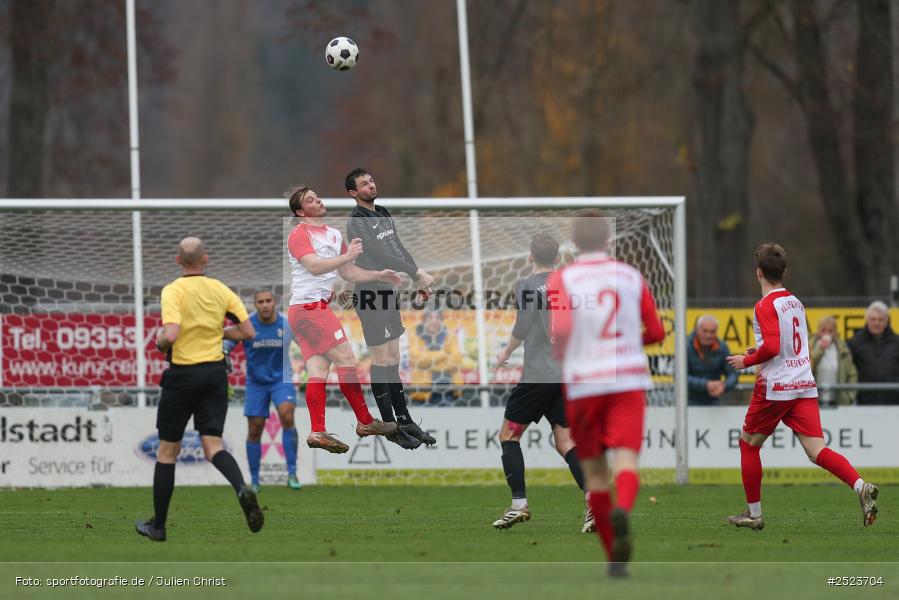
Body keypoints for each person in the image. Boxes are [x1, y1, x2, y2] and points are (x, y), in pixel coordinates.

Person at [725, 243, 878, 532]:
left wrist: (747, 360)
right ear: (785, 271)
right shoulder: (795, 302)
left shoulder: (764, 305)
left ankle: (754, 514)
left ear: (758, 273)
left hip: (777, 386)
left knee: (748, 445)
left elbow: (771, 346)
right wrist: (758, 351)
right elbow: (784, 344)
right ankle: (860, 486)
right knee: (816, 450)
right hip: (803, 382)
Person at [547, 211, 665, 577]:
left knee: (596, 474)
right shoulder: (631, 276)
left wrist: (565, 355)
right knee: (627, 462)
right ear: (608, 241)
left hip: (584, 382)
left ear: (574, 243)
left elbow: (562, 329)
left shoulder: (562, 278)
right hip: (627, 380)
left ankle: (614, 559)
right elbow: (658, 331)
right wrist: (630, 343)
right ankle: (624, 510)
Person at [136, 237, 263, 541]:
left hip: (183, 376)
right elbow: (248, 332)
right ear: (205, 259)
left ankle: (159, 526)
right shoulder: (220, 289)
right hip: (215, 373)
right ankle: (242, 488)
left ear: (178, 261)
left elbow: (172, 333)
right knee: (214, 447)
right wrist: (217, 330)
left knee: (167, 451)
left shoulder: (173, 290)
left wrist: (159, 342)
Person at [492, 232, 592, 534]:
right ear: (558, 257)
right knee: (566, 441)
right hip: (564, 374)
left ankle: (519, 505)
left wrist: (505, 352)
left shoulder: (526, 285)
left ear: (530, 257)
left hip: (538, 374)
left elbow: (522, 325)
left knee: (508, 436)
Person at [287, 186, 399, 453]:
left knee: (318, 371)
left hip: (309, 311)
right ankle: (365, 421)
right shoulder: (298, 235)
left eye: (317, 196)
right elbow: (314, 267)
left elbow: (348, 271)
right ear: (301, 212)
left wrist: (377, 275)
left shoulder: (334, 235)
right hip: (310, 309)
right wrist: (347, 256)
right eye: (310, 200)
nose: (318, 200)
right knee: (347, 360)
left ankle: (317, 432)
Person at [345, 167, 437, 450]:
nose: (371, 185)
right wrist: (415, 270)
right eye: (364, 184)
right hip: (370, 293)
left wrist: (416, 273)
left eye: (371, 180)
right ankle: (390, 425)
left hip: (389, 292)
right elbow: (379, 254)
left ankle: (405, 419)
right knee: (381, 359)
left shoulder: (382, 212)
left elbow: (396, 247)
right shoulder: (356, 221)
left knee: (393, 357)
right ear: (353, 193)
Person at [224, 290, 302, 492]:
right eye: (261, 302)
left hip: (281, 380)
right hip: (256, 383)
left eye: (268, 301)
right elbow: (227, 342)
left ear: (274, 302)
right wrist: (224, 353)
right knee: (255, 428)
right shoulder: (248, 325)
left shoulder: (286, 325)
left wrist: (308, 372)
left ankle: (292, 473)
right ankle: (255, 480)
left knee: (287, 415)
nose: (265, 305)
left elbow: (304, 345)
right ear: (255, 305)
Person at [408, 308, 474, 405]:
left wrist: (429, 362)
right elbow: (418, 361)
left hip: (448, 391)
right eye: (430, 318)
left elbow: (457, 360)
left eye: (437, 318)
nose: (434, 320)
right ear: (424, 321)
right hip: (422, 393)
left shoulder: (450, 337)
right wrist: (444, 353)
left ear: (441, 321)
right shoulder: (415, 337)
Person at [848, 301, 899, 405]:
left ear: (887, 321)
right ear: (867, 320)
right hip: (864, 402)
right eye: (873, 319)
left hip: (894, 402)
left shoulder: (896, 342)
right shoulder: (855, 342)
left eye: (880, 319)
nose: (876, 323)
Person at [687, 315, 738, 405]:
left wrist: (724, 386)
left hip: (714, 400)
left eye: (712, 332)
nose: (708, 335)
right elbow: (680, 377)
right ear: (697, 330)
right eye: (705, 331)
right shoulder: (685, 346)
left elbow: (733, 374)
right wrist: (706, 385)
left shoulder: (722, 347)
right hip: (687, 401)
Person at [809, 315, 857, 406]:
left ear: (835, 332)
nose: (826, 333)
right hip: (814, 401)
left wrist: (850, 396)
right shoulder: (810, 346)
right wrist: (820, 349)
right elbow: (808, 365)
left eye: (830, 331)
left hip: (839, 400)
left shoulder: (843, 348)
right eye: (823, 330)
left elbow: (852, 374)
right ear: (818, 331)